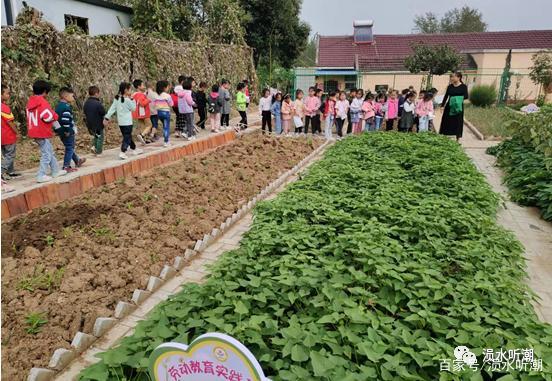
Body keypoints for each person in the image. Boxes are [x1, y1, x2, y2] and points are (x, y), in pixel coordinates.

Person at [26, 80, 67, 182]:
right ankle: (41, 174)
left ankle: (55, 171)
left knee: (49, 151)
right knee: (46, 154)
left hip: (34, 130)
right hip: (41, 131)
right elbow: (47, 116)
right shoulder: (42, 102)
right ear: (45, 91)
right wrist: (55, 116)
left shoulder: (30, 102)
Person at [105, 82, 143, 159]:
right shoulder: (128, 100)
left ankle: (134, 149)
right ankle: (123, 151)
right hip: (128, 122)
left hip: (121, 122)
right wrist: (132, 99)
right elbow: (133, 108)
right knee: (127, 137)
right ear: (126, 90)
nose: (131, 91)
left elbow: (112, 109)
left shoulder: (117, 99)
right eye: (130, 89)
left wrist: (106, 118)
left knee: (128, 136)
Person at [55, 87, 85, 172]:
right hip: (67, 132)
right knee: (70, 148)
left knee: (69, 147)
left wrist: (58, 131)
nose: (73, 98)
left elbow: (56, 120)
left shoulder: (58, 107)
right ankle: (66, 166)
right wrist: (68, 130)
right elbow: (65, 121)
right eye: (72, 96)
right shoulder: (66, 108)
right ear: (65, 96)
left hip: (61, 131)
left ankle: (77, 160)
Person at [440, 72, 469, 140]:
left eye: (453, 77)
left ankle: (457, 138)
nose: (452, 78)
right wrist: (442, 106)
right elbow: (446, 96)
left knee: (458, 122)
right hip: (449, 106)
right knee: (446, 121)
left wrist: (456, 99)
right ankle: (445, 136)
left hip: (458, 107)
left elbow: (466, 96)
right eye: (451, 77)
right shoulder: (450, 86)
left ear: (459, 77)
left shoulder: (463, 86)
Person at [1, 85, 20, 181]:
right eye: (7, 93)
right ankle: (1, 171)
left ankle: (10, 171)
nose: (9, 95)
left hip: (2, 137)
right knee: (10, 155)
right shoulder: (4, 108)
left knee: (6, 154)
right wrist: (17, 132)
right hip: (7, 135)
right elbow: (10, 122)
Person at [83, 85, 106, 156]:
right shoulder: (98, 103)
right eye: (98, 93)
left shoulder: (86, 103)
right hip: (98, 123)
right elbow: (103, 112)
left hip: (90, 124)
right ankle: (98, 151)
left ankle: (93, 146)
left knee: (95, 135)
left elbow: (85, 112)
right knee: (100, 137)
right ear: (96, 93)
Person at [152, 80, 174, 147]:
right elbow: (171, 104)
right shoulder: (167, 96)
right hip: (166, 112)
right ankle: (166, 142)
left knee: (165, 126)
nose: (168, 88)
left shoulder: (156, 96)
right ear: (164, 88)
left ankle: (166, 140)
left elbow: (154, 104)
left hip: (159, 112)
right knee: (166, 127)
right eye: (168, 87)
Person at [132, 79, 153, 145]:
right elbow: (142, 103)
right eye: (143, 85)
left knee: (142, 126)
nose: (144, 86)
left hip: (137, 113)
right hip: (144, 113)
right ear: (138, 86)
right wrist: (148, 100)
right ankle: (142, 135)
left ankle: (143, 140)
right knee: (149, 125)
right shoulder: (141, 95)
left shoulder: (134, 95)